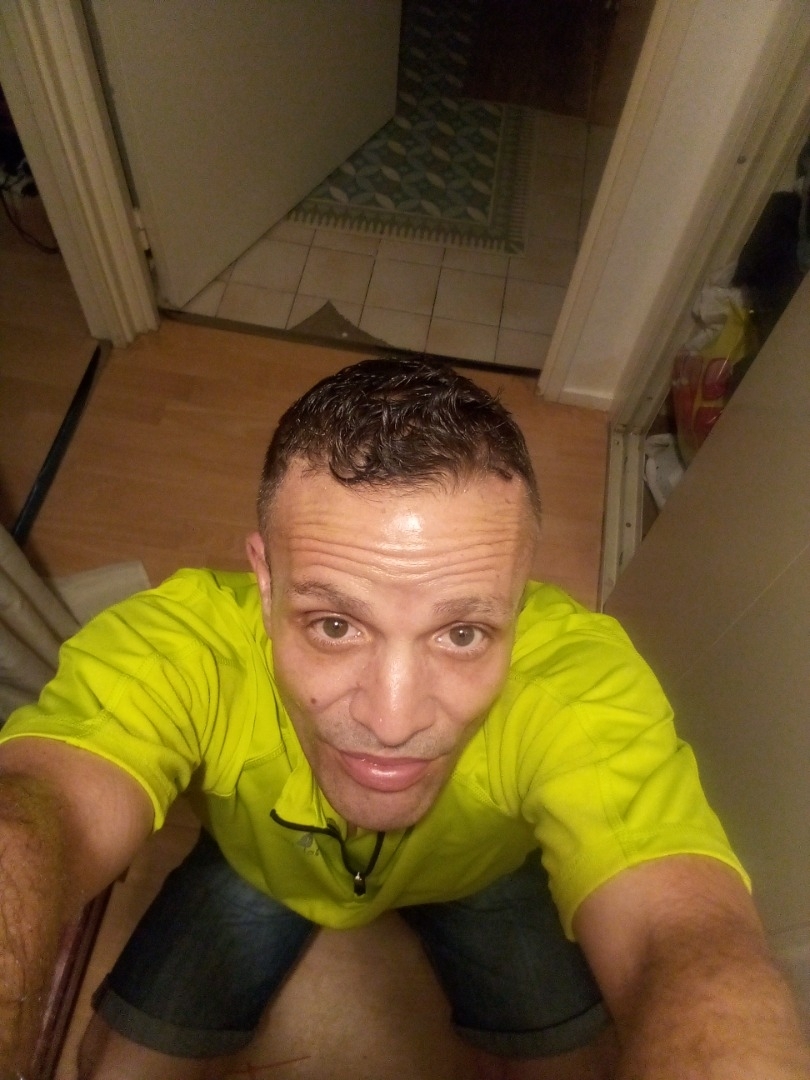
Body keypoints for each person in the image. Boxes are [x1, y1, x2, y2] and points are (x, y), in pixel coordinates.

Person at [0, 356, 807, 1080]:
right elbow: (39, 812)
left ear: (520, 598)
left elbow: (686, 939)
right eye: (335, 624)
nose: (392, 721)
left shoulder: (578, 680)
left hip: (482, 880)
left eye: (462, 633)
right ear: (266, 582)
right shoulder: (183, 647)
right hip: (259, 870)